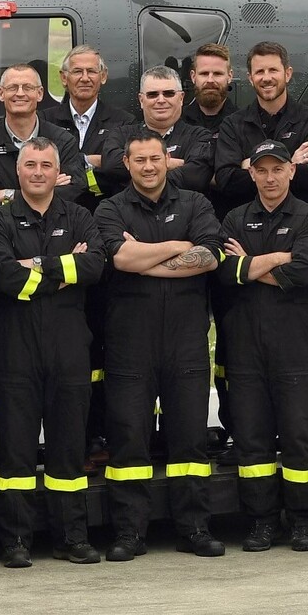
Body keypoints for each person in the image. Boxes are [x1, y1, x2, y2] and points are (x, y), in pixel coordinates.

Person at [94, 128, 225, 560]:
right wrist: (174, 246)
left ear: (167, 161)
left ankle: (194, 528)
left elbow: (208, 257)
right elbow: (118, 258)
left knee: (189, 439)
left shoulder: (196, 204)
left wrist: (144, 260)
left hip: (185, 340)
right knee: (129, 438)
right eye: (140, 160)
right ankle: (130, 533)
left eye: (156, 159)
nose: (148, 167)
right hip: (129, 342)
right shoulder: (110, 208)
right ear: (127, 164)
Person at [0, 140, 106, 568]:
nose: (38, 172)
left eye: (46, 165)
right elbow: (4, 277)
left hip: (69, 346)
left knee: (68, 449)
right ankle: (15, 539)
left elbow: (94, 267)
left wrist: (33, 265)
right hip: (15, 349)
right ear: (17, 173)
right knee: (15, 449)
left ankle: (71, 536)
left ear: (59, 172)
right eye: (30, 165)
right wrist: (61, 268)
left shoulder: (80, 216)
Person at [216, 140, 308, 552]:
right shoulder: (235, 218)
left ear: (291, 171)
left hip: (295, 344)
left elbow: (305, 271)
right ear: (252, 174)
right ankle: (262, 522)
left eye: (278, 169)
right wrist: (277, 257)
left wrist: (250, 264)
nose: (270, 177)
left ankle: (300, 522)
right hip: (245, 346)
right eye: (261, 170)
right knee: (252, 438)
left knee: (298, 438)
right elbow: (225, 273)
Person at [214, 42, 308, 216]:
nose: (266, 78)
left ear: (287, 73)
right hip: (246, 227)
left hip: (301, 224)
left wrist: (251, 165)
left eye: (273, 70)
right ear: (250, 77)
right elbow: (226, 180)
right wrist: (290, 163)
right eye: (259, 72)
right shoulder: (232, 125)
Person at [0, 65, 93, 209]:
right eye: (12, 87)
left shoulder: (64, 141)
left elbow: (73, 193)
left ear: (40, 93)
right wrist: (46, 189)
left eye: (27, 88)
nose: (20, 94)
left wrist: (8, 194)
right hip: (3, 229)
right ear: (1, 93)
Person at [95, 67, 213, 198]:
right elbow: (111, 165)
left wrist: (139, 175)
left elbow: (196, 177)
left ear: (181, 98)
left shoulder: (200, 136)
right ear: (141, 100)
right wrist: (173, 164)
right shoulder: (121, 135)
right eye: (153, 94)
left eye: (169, 93)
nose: (161, 100)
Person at [41, 46, 132, 177]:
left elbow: (123, 168)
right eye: (77, 71)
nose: (85, 78)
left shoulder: (124, 122)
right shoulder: (44, 120)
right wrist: (92, 161)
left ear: (103, 76)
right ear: (64, 78)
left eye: (91, 71)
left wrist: (68, 163)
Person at [182, 43, 236, 133]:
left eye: (217, 74)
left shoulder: (243, 124)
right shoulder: (177, 123)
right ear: (193, 76)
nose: (210, 80)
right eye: (204, 73)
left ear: (229, 76)